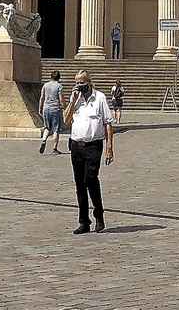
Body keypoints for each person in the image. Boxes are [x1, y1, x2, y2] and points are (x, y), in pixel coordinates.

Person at [62, 69, 114, 234]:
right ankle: (84, 221)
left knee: (90, 180)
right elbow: (66, 119)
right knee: (79, 184)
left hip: (93, 146)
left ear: (89, 82)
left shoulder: (100, 98)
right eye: (77, 83)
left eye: (82, 83)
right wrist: (72, 101)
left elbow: (108, 124)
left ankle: (99, 215)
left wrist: (109, 148)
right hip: (76, 146)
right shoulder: (75, 99)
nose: (80, 86)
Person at [38, 69, 66, 156]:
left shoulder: (45, 85)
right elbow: (61, 99)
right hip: (55, 108)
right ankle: (54, 148)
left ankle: (44, 140)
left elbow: (42, 97)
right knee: (56, 129)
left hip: (46, 108)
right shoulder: (59, 86)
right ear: (59, 77)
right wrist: (65, 107)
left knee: (47, 127)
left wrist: (40, 108)